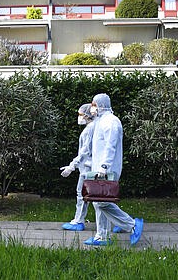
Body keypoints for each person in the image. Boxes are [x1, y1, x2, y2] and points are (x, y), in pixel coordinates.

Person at [84, 93, 144, 246]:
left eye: (94, 104)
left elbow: (111, 146)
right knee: (98, 200)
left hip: (107, 168)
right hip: (100, 167)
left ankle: (132, 225)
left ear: (101, 105)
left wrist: (104, 166)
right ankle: (102, 236)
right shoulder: (101, 121)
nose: (92, 108)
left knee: (101, 202)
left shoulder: (111, 122)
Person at [60, 103, 95, 231]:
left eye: (81, 114)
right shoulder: (90, 128)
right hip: (87, 167)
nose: (79, 116)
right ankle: (78, 220)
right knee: (93, 197)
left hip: (88, 167)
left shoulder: (90, 129)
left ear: (87, 114)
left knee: (87, 196)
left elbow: (85, 152)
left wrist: (71, 166)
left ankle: (127, 223)